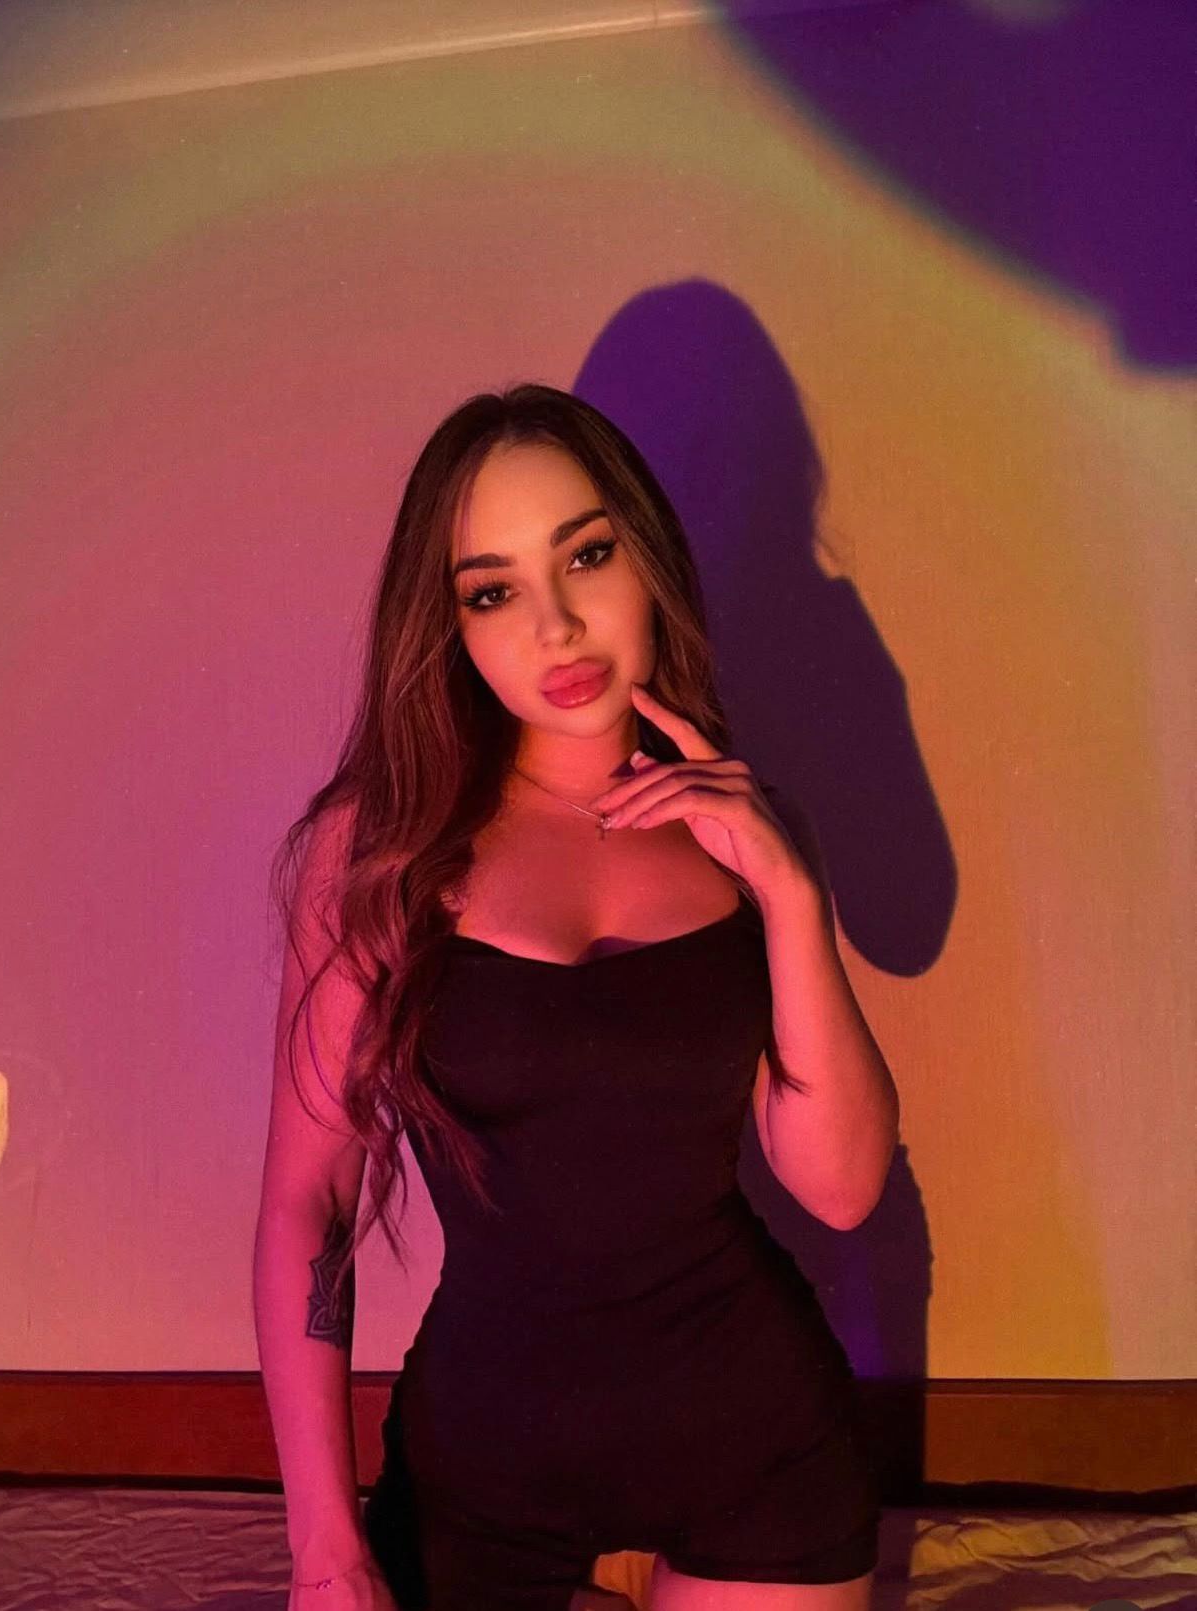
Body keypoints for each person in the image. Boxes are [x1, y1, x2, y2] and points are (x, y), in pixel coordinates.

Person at [254, 383, 901, 1611]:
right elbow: (309, 1202)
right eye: (493, 592)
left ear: (646, 560)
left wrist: (790, 892)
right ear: (449, 627)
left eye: (587, 556)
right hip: (484, 1470)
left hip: (758, 1447)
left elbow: (840, 1186)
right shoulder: (377, 851)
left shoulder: (746, 834)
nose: (555, 627)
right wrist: (325, 1550)